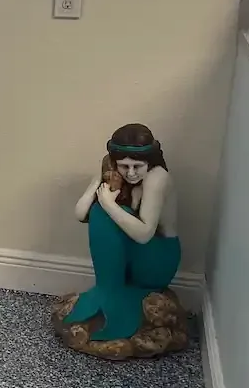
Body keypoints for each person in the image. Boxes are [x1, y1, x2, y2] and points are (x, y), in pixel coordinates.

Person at [65, 123, 181, 342]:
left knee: (104, 211)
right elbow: (80, 214)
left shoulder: (157, 177)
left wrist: (110, 205)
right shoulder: (116, 172)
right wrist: (98, 181)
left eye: (138, 166)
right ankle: (106, 290)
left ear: (150, 162)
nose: (131, 173)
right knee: (99, 211)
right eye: (124, 166)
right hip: (132, 257)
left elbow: (145, 234)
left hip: (156, 260)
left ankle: (112, 297)